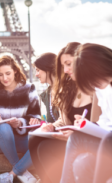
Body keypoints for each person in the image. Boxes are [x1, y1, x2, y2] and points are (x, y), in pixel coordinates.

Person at [60, 43, 112, 183]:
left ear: (100, 69)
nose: (92, 85)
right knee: (81, 160)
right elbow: (106, 121)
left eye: (91, 79)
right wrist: (89, 126)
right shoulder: (102, 87)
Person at [28, 42, 101, 183]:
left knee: (44, 148)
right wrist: (51, 127)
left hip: (89, 140)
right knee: (35, 139)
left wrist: (78, 134)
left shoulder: (97, 89)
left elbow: (104, 123)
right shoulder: (68, 89)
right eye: (63, 66)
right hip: (70, 138)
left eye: (68, 64)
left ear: (82, 60)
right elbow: (63, 119)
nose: (65, 70)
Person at [0, 55, 41, 183]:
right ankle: (21, 170)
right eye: (0, 75)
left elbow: (35, 116)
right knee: (4, 128)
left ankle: (13, 173)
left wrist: (20, 123)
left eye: (8, 73)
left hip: (21, 139)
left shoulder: (29, 89)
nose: (4, 78)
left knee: (41, 141)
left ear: (15, 70)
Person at [33, 52, 59, 124]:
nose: (36, 74)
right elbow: (51, 122)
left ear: (47, 68)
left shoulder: (66, 89)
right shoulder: (46, 94)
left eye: (38, 70)